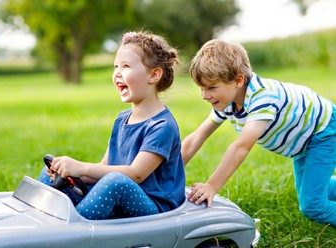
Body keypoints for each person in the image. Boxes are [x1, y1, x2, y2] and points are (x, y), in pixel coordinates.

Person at [181, 39, 336, 227]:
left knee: (313, 205)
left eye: (212, 87)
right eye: (201, 88)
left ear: (238, 80)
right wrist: (167, 173)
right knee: (314, 190)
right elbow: (196, 137)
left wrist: (212, 185)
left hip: (323, 132)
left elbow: (241, 147)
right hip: (304, 140)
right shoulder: (226, 102)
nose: (205, 95)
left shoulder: (263, 97)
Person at [39, 31, 185, 220]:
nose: (117, 73)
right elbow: (104, 167)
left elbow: (136, 174)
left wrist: (81, 167)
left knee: (115, 182)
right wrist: (71, 173)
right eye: (115, 66)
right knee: (51, 172)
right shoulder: (121, 119)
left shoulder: (162, 126)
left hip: (154, 208)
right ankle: (44, 222)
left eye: (125, 66)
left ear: (154, 74)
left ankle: (74, 231)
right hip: (119, 194)